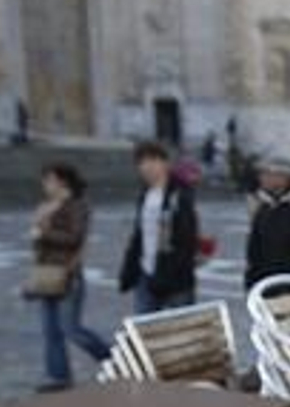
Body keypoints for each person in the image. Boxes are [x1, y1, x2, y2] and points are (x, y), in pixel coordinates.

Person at [30, 163, 111, 391]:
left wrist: (45, 230)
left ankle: (112, 357)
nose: (45, 185)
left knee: (71, 328)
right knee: (50, 330)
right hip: (47, 272)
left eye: (49, 180)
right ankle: (58, 376)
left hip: (67, 273)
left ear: (62, 182)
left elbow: (74, 237)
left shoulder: (77, 206)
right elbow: (39, 240)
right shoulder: (47, 206)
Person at [119, 140, 199, 313]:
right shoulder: (145, 196)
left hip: (176, 281)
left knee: (180, 332)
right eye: (142, 162)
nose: (147, 167)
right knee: (144, 332)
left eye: (153, 161)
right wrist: (129, 270)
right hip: (146, 274)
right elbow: (139, 235)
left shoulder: (179, 196)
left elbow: (187, 240)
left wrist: (172, 273)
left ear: (165, 163)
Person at [245, 158, 290, 289]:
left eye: (269, 174)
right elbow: (255, 247)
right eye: (263, 174)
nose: (263, 178)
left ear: (285, 178)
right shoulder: (262, 205)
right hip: (263, 279)